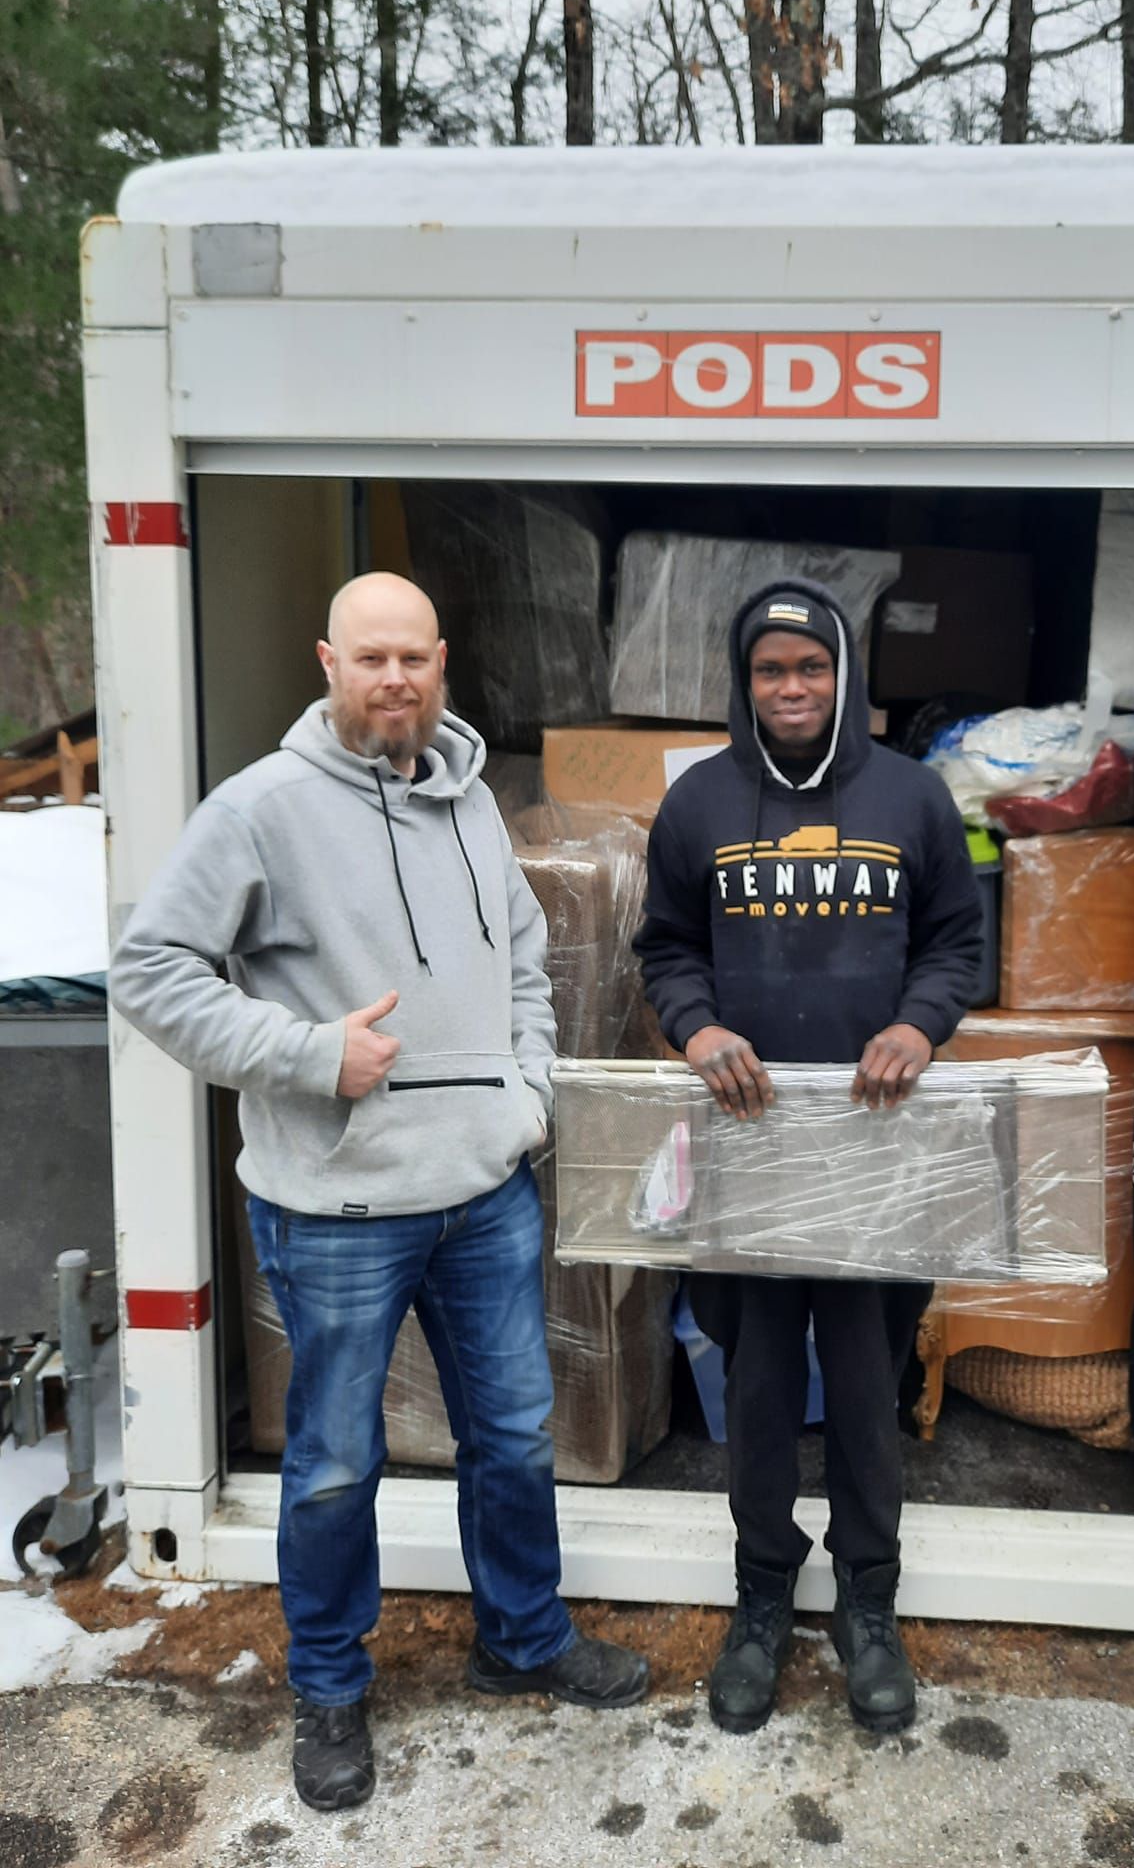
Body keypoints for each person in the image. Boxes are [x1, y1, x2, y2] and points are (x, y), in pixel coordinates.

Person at [111, 572, 648, 1814]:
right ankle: (330, 1684)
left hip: (484, 1192)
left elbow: (526, 960)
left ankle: (522, 1637)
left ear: (441, 660)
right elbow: (150, 968)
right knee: (335, 1461)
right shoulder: (261, 808)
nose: (395, 677)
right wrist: (310, 1054)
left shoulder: (474, 802)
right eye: (371, 658)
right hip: (337, 1210)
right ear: (329, 662)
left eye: (413, 656)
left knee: (513, 1434)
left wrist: (527, 1095)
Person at [635, 579, 983, 1735]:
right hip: (750, 1152)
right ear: (745, 682)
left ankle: (868, 1603)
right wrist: (697, 1028)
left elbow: (957, 941)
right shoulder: (698, 803)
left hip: (879, 1155)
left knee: (871, 1388)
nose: (792, 688)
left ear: (845, 673)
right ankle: (762, 1598)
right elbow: (667, 948)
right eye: (770, 670)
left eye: (812, 667)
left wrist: (919, 1023)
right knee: (761, 1384)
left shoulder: (912, 796)